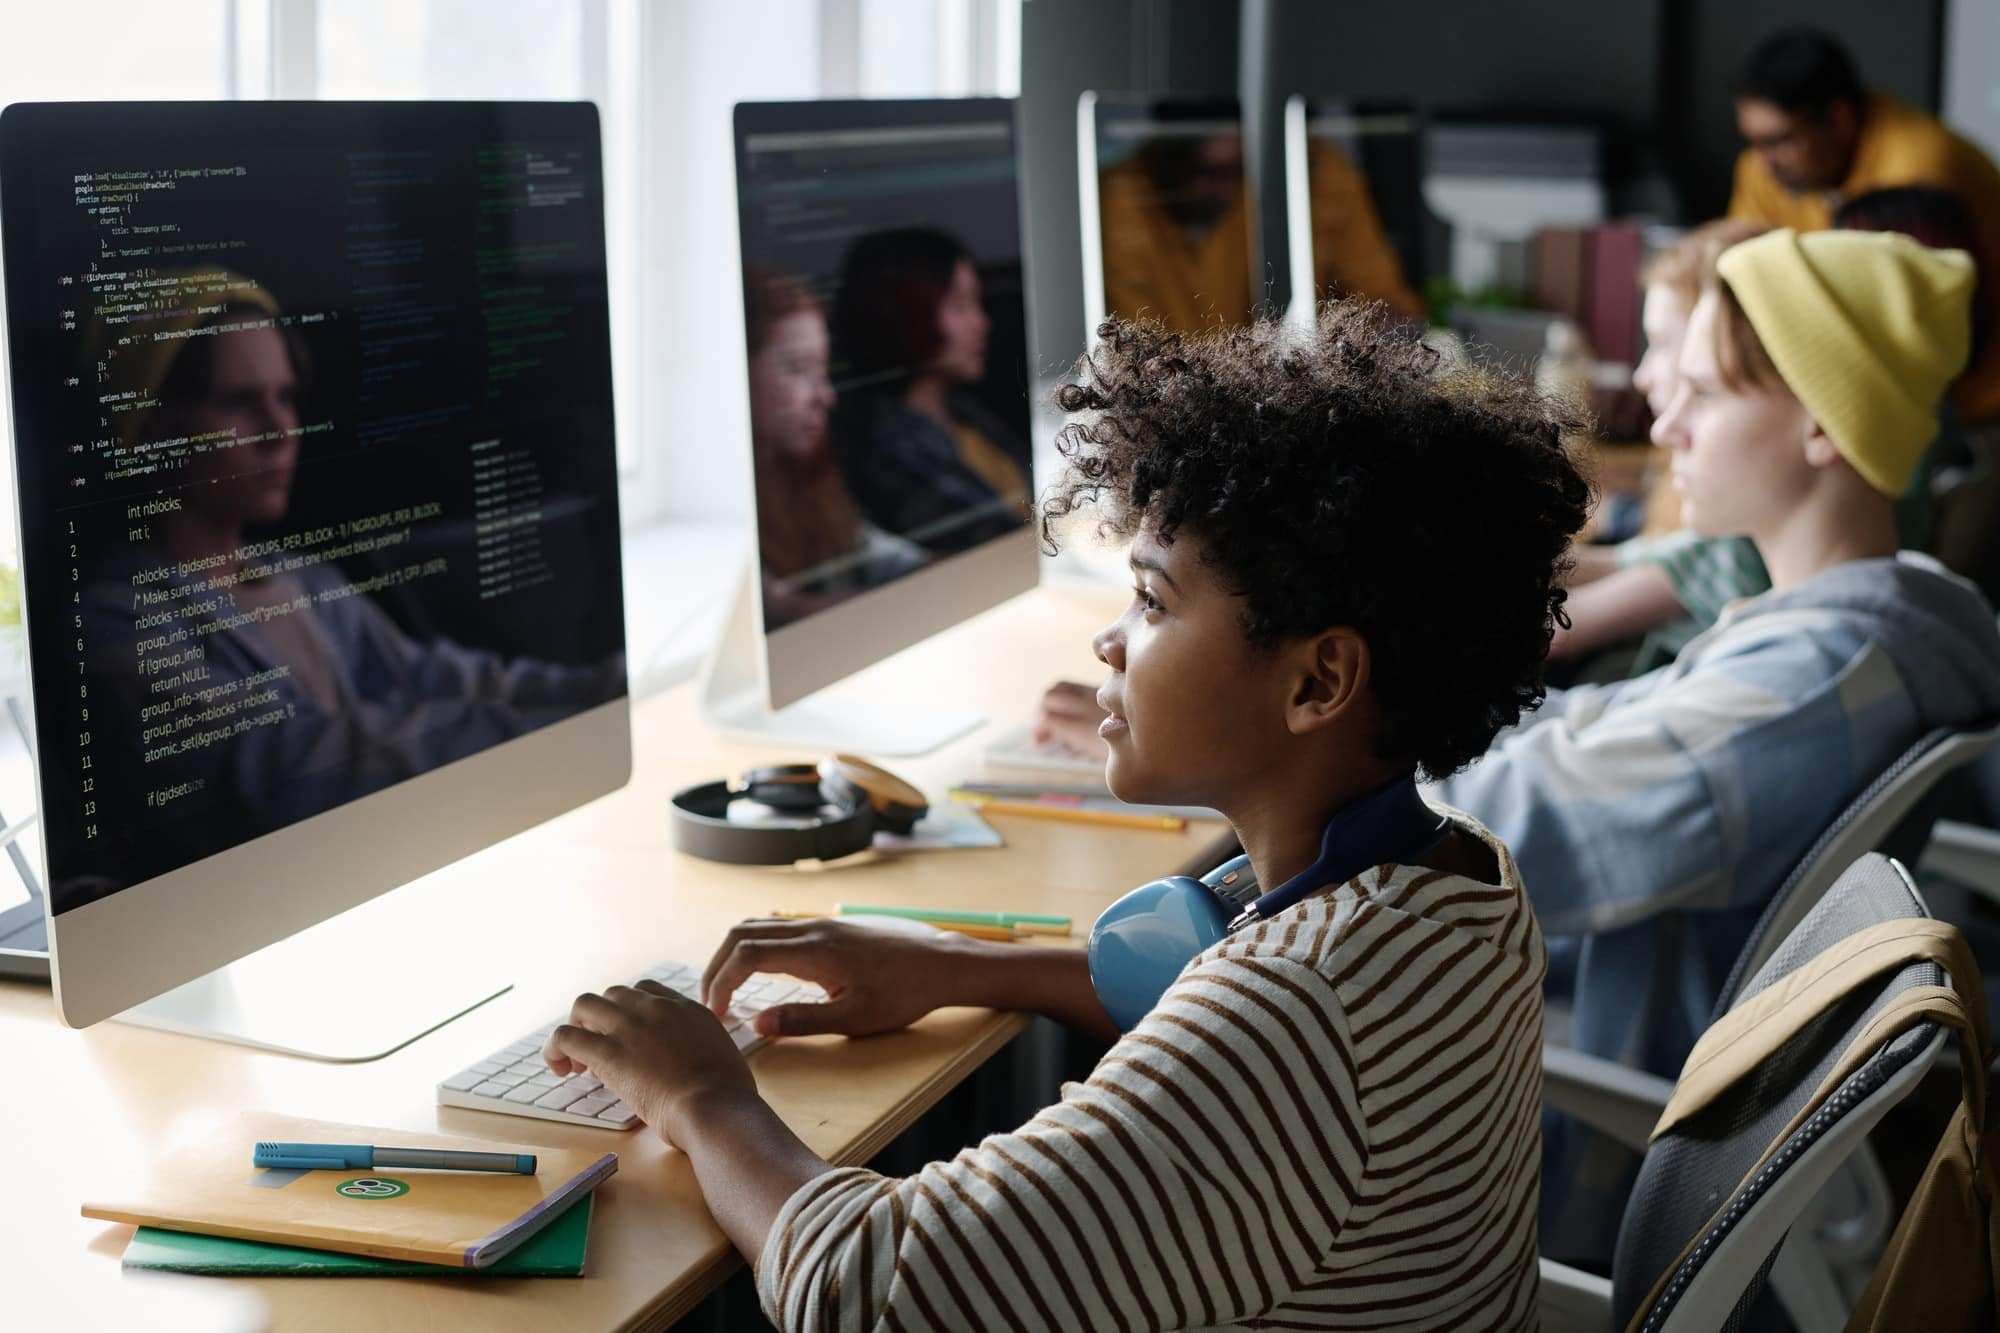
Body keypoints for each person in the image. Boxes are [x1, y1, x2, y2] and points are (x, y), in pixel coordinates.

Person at [540, 303, 1594, 1329]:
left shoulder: (1294, 1017)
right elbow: (1202, 990)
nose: (1108, 642)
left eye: (1150, 601)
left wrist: (701, 1094)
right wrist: (956, 965)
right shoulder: (1454, 880)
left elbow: (862, 1287)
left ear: (1318, 682)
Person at [1440, 228, 2000, 1259]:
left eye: (1703, 390)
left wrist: (1277, 741)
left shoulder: (1811, 681)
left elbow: (1503, 837)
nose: (1664, 416)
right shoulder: (1862, 620)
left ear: (1822, 425)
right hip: (1619, 1060)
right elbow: (1607, 728)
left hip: (1578, 1134)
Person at [73, 280, 622, 901]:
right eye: (239, 401)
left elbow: (434, 676)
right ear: (148, 427)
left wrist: (609, 691)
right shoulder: (116, 620)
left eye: (285, 397)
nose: (281, 430)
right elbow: (268, 768)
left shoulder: (301, 577)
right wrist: (538, 731)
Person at [1728, 27, 2000, 431]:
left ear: (1838, 119)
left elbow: (1900, 337)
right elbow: (1738, 275)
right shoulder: (1764, 168)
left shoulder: (1919, 168)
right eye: (1754, 143)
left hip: (1968, 404)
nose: (1763, 163)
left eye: (1779, 141)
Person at [742, 267, 925, 630]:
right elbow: (783, 612)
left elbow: (887, 557)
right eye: (798, 369)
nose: (824, 396)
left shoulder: (812, 485)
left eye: (822, 370)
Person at [830, 227, 1030, 555]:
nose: (981, 323)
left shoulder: (966, 415)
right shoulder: (890, 454)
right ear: (909, 312)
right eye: (959, 306)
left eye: (975, 304)